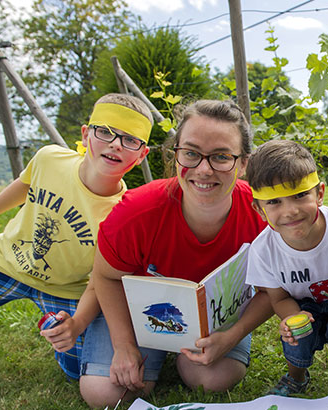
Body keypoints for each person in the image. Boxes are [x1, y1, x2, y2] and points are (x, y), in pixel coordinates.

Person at [0, 93, 153, 380]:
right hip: (8, 263)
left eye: (130, 140)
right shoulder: (50, 159)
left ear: (142, 155)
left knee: (79, 369)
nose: (115, 144)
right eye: (105, 131)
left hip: (65, 288)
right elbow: (24, 184)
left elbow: (100, 279)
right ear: (85, 134)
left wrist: (77, 323)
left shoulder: (122, 213)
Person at [78, 99, 271, 407]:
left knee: (212, 380)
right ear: (176, 153)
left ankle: (179, 358)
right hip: (139, 315)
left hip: (219, 319)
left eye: (221, 157)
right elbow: (105, 277)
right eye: (191, 153)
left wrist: (232, 336)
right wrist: (124, 345)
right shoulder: (136, 212)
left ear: (243, 162)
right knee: (105, 394)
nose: (204, 170)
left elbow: (274, 288)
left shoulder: (263, 214)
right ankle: (145, 350)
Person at [244, 139, 328, 396]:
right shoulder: (263, 249)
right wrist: (291, 317)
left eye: (299, 195)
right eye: (274, 202)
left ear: (319, 193)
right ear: (259, 209)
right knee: (296, 336)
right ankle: (296, 379)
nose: (290, 211)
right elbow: (278, 298)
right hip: (301, 303)